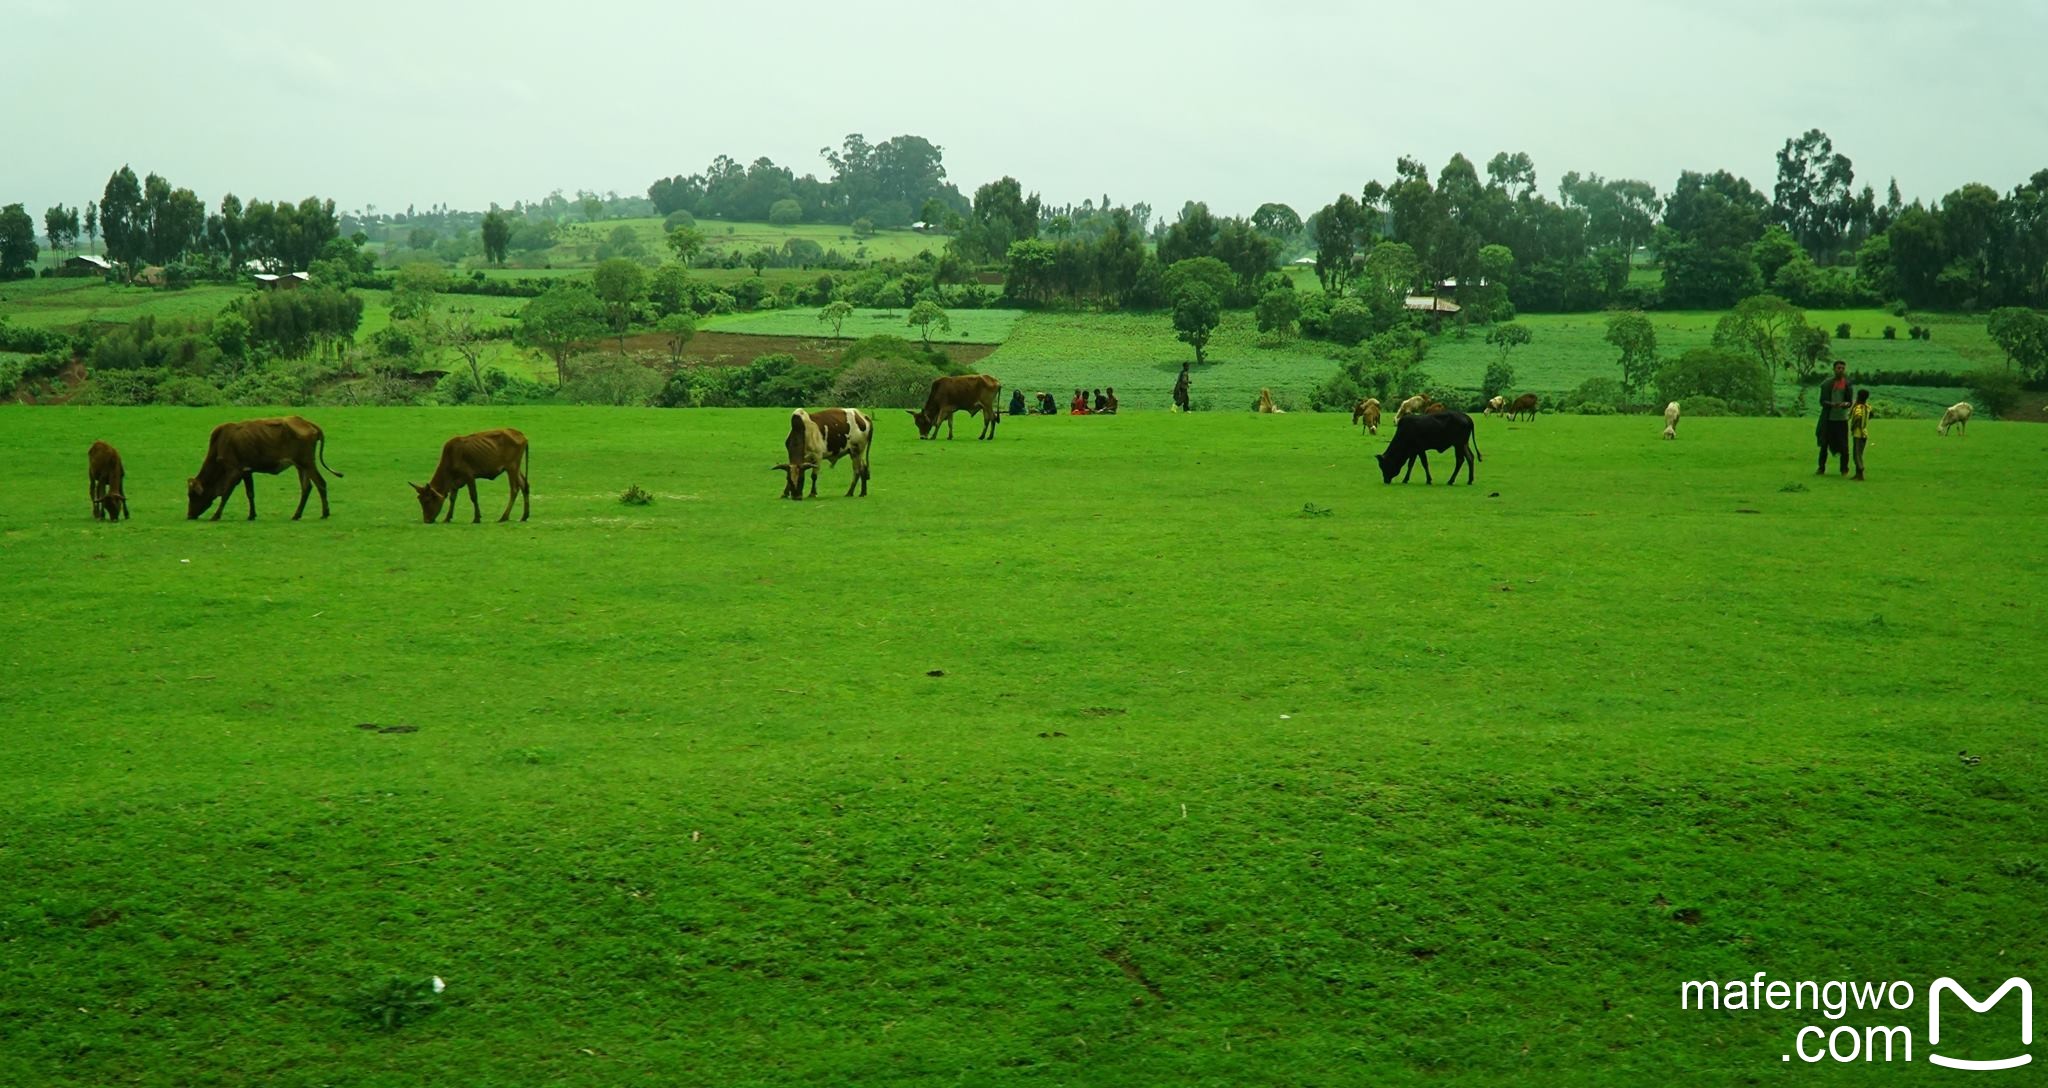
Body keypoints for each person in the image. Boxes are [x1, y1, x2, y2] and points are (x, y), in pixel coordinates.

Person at [1816, 359, 1852, 476]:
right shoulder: (1827, 384)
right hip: (1829, 419)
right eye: (1838, 368)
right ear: (1834, 369)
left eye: (1842, 368)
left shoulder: (1847, 384)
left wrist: (1845, 404)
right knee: (1824, 445)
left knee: (1844, 446)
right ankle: (1821, 468)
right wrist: (1832, 405)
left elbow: (1849, 402)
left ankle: (1844, 469)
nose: (1840, 370)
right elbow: (1822, 401)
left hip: (1842, 419)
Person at [1849, 388, 1872, 481]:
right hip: (1864, 433)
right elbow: (1871, 414)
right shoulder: (1867, 406)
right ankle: (1857, 473)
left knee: (1856, 454)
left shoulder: (1859, 407)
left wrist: (1853, 426)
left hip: (1858, 434)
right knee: (1859, 454)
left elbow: (1857, 417)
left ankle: (1860, 472)